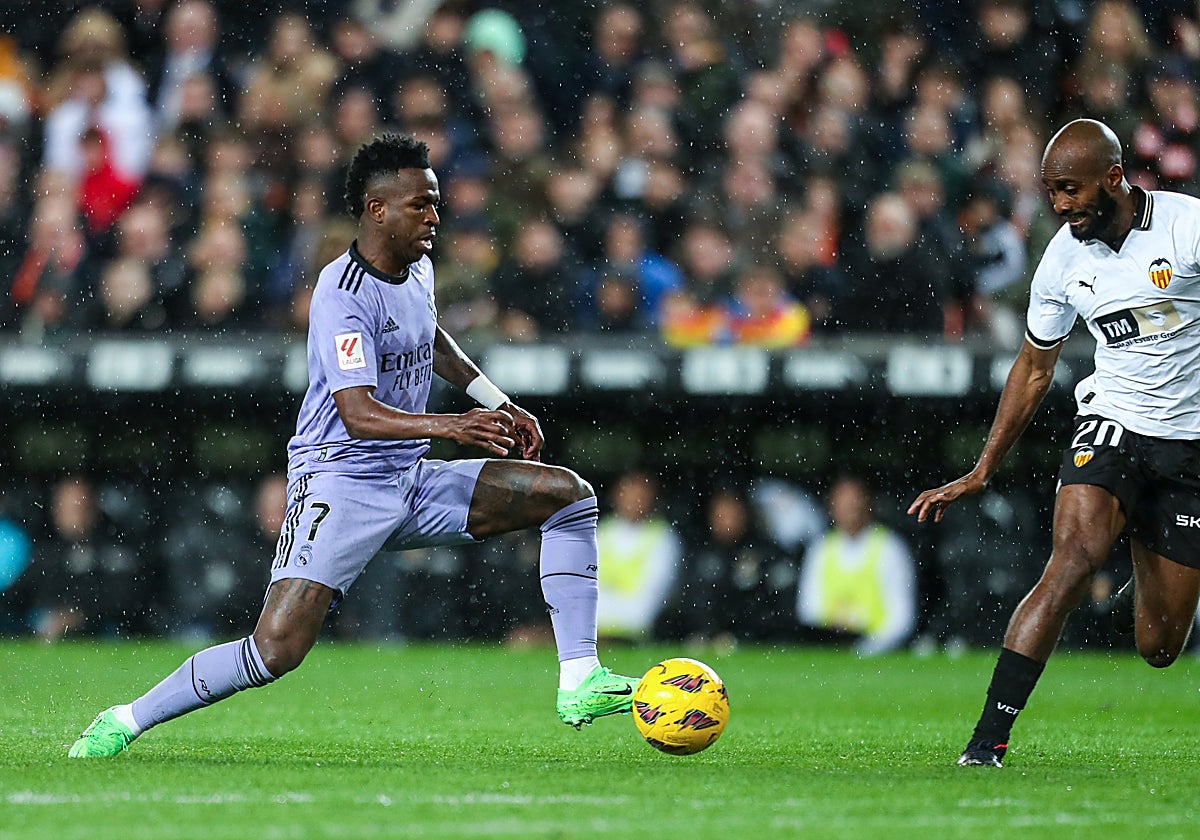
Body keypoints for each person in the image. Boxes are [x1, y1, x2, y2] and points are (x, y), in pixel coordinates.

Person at [69, 133, 639, 758]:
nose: (434, 217)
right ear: (377, 209)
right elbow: (358, 414)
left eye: (436, 203)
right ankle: (126, 717)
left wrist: (493, 397)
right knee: (275, 651)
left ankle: (580, 678)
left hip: (411, 476)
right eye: (421, 205)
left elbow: (429, 335)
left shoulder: (418, 268)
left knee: (567, 496)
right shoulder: (341, 297)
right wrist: (454, 426)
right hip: (340, 484)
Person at [909, 119, 1200, 768]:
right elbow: (1035, 367)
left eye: (1070, 189)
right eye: (1051, 192)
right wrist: (984, 466)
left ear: (1115, 178)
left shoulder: (1188, 228)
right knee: (1072, 557)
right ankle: (986, 743)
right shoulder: (1065, 257)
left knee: (1158, 647)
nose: (1061, 206)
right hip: (1112, 423)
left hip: (1188, 450)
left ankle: (1132, 574)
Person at [797, 476, 917, 656]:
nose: (850, 508)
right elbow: (808, 609)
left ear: (868, 504)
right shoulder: (821, 549)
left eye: (855, 501)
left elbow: (902, 618)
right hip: (830, 650)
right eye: (843, 502)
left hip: (879, 652)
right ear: (831, 506)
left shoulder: (890, 548)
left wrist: (867, 647)